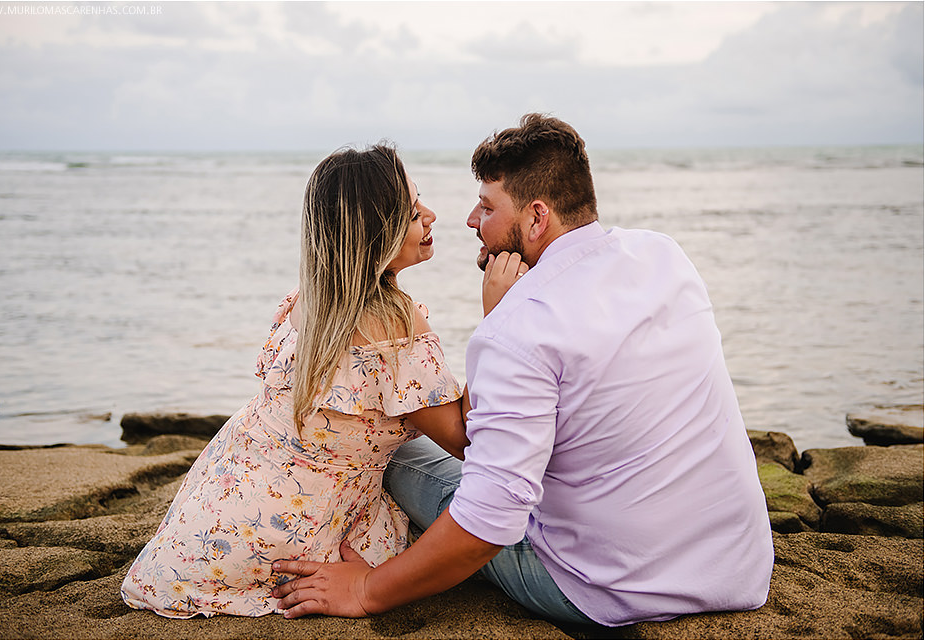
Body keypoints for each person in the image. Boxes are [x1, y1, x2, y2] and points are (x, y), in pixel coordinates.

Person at [271, 114, 774, 627]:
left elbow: (489, 519)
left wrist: (366, 592)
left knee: (395, 456)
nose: (470, 220)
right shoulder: (663, 254)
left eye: (487, 207)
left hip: (606, 587)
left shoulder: (518, 326)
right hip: (737, 568)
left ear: (536, 219)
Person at [121, 145, 474, 618]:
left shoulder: (306, 303)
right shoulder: (395, 327)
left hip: (220, 504)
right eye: (412, 213)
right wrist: (501, 314)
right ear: (376, 234)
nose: (430, 216)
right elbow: (469, 440)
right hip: (288, 529)